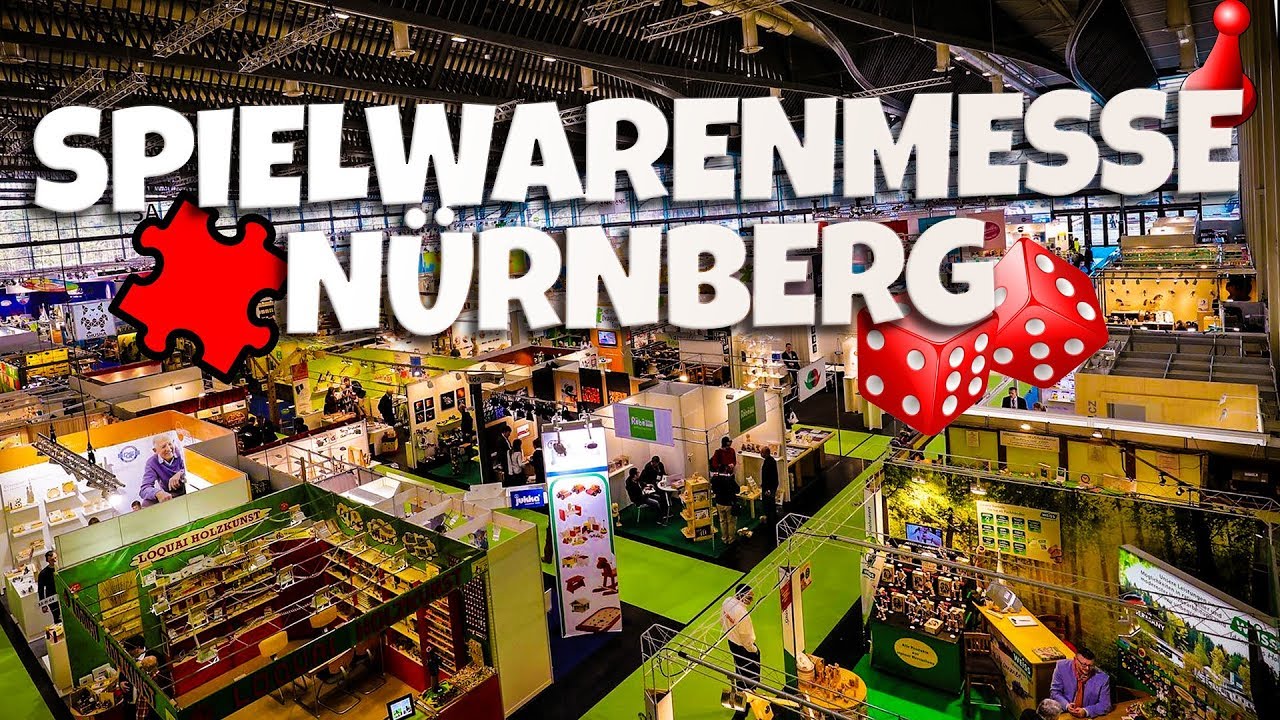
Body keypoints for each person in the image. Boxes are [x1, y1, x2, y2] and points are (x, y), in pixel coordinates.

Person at [720, 584, 759, 720]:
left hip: (732, 643)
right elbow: (746, 637)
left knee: (739, 670)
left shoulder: (727, 602)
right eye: (749, 597)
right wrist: (754, 650)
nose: (751, 600)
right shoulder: (743, 614)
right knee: (749, 675)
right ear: (741, 595)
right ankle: (745, 704)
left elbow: (722, 620)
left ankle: (741, 697)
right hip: (744, 648)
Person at [1049, 647, 1112, 718]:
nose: (1087, 669)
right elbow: (1055, 692)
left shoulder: (1103, 678)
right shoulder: (1061, 667)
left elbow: (1105, 705)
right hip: (1062, 712)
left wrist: (1086, 711)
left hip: (1086, 717)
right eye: (1084, 665)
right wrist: (1067, 706)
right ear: (1075, 660)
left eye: (1091, 665)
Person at [140, 435, 186, 506]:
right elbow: (144, 489)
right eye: (163, 446)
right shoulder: (152, 462)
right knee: (146, 503)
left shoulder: (182, 451)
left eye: (170, 444)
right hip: (170, 495)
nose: (168, 449)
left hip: (188, 487)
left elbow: (194, 468)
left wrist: (181, 473)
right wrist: (158, 493)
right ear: (155, 451)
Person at [710, 459, 740, 544]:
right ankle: (731, 539)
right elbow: (737, 490)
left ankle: (724, 538)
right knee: (731, 522)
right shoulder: (729, 479)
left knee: (722, 521)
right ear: (726, 469)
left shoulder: (714, 479)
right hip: (729, 503)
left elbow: (713, 490)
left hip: (719, 502)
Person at [760, 446, 779, 536]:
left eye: (762, 452)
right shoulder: (771, 461)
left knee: (769, 503)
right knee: (770, 503)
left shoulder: (769, 463)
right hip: (770, 486)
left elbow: (770, 477)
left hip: (769, 487)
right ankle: (771, 518)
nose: (760, 454)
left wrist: (768, 489)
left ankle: (770, 520)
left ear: (766, 453)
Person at [37, 550, 59, 623]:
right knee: (57, 618)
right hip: (52, 598)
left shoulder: (61, 568)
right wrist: (43, 605)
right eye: (52, 560)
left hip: (63, 594)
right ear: (48, 561)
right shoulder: (43, 574)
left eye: (56, 558)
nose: (55, 561)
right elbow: (40, 590)